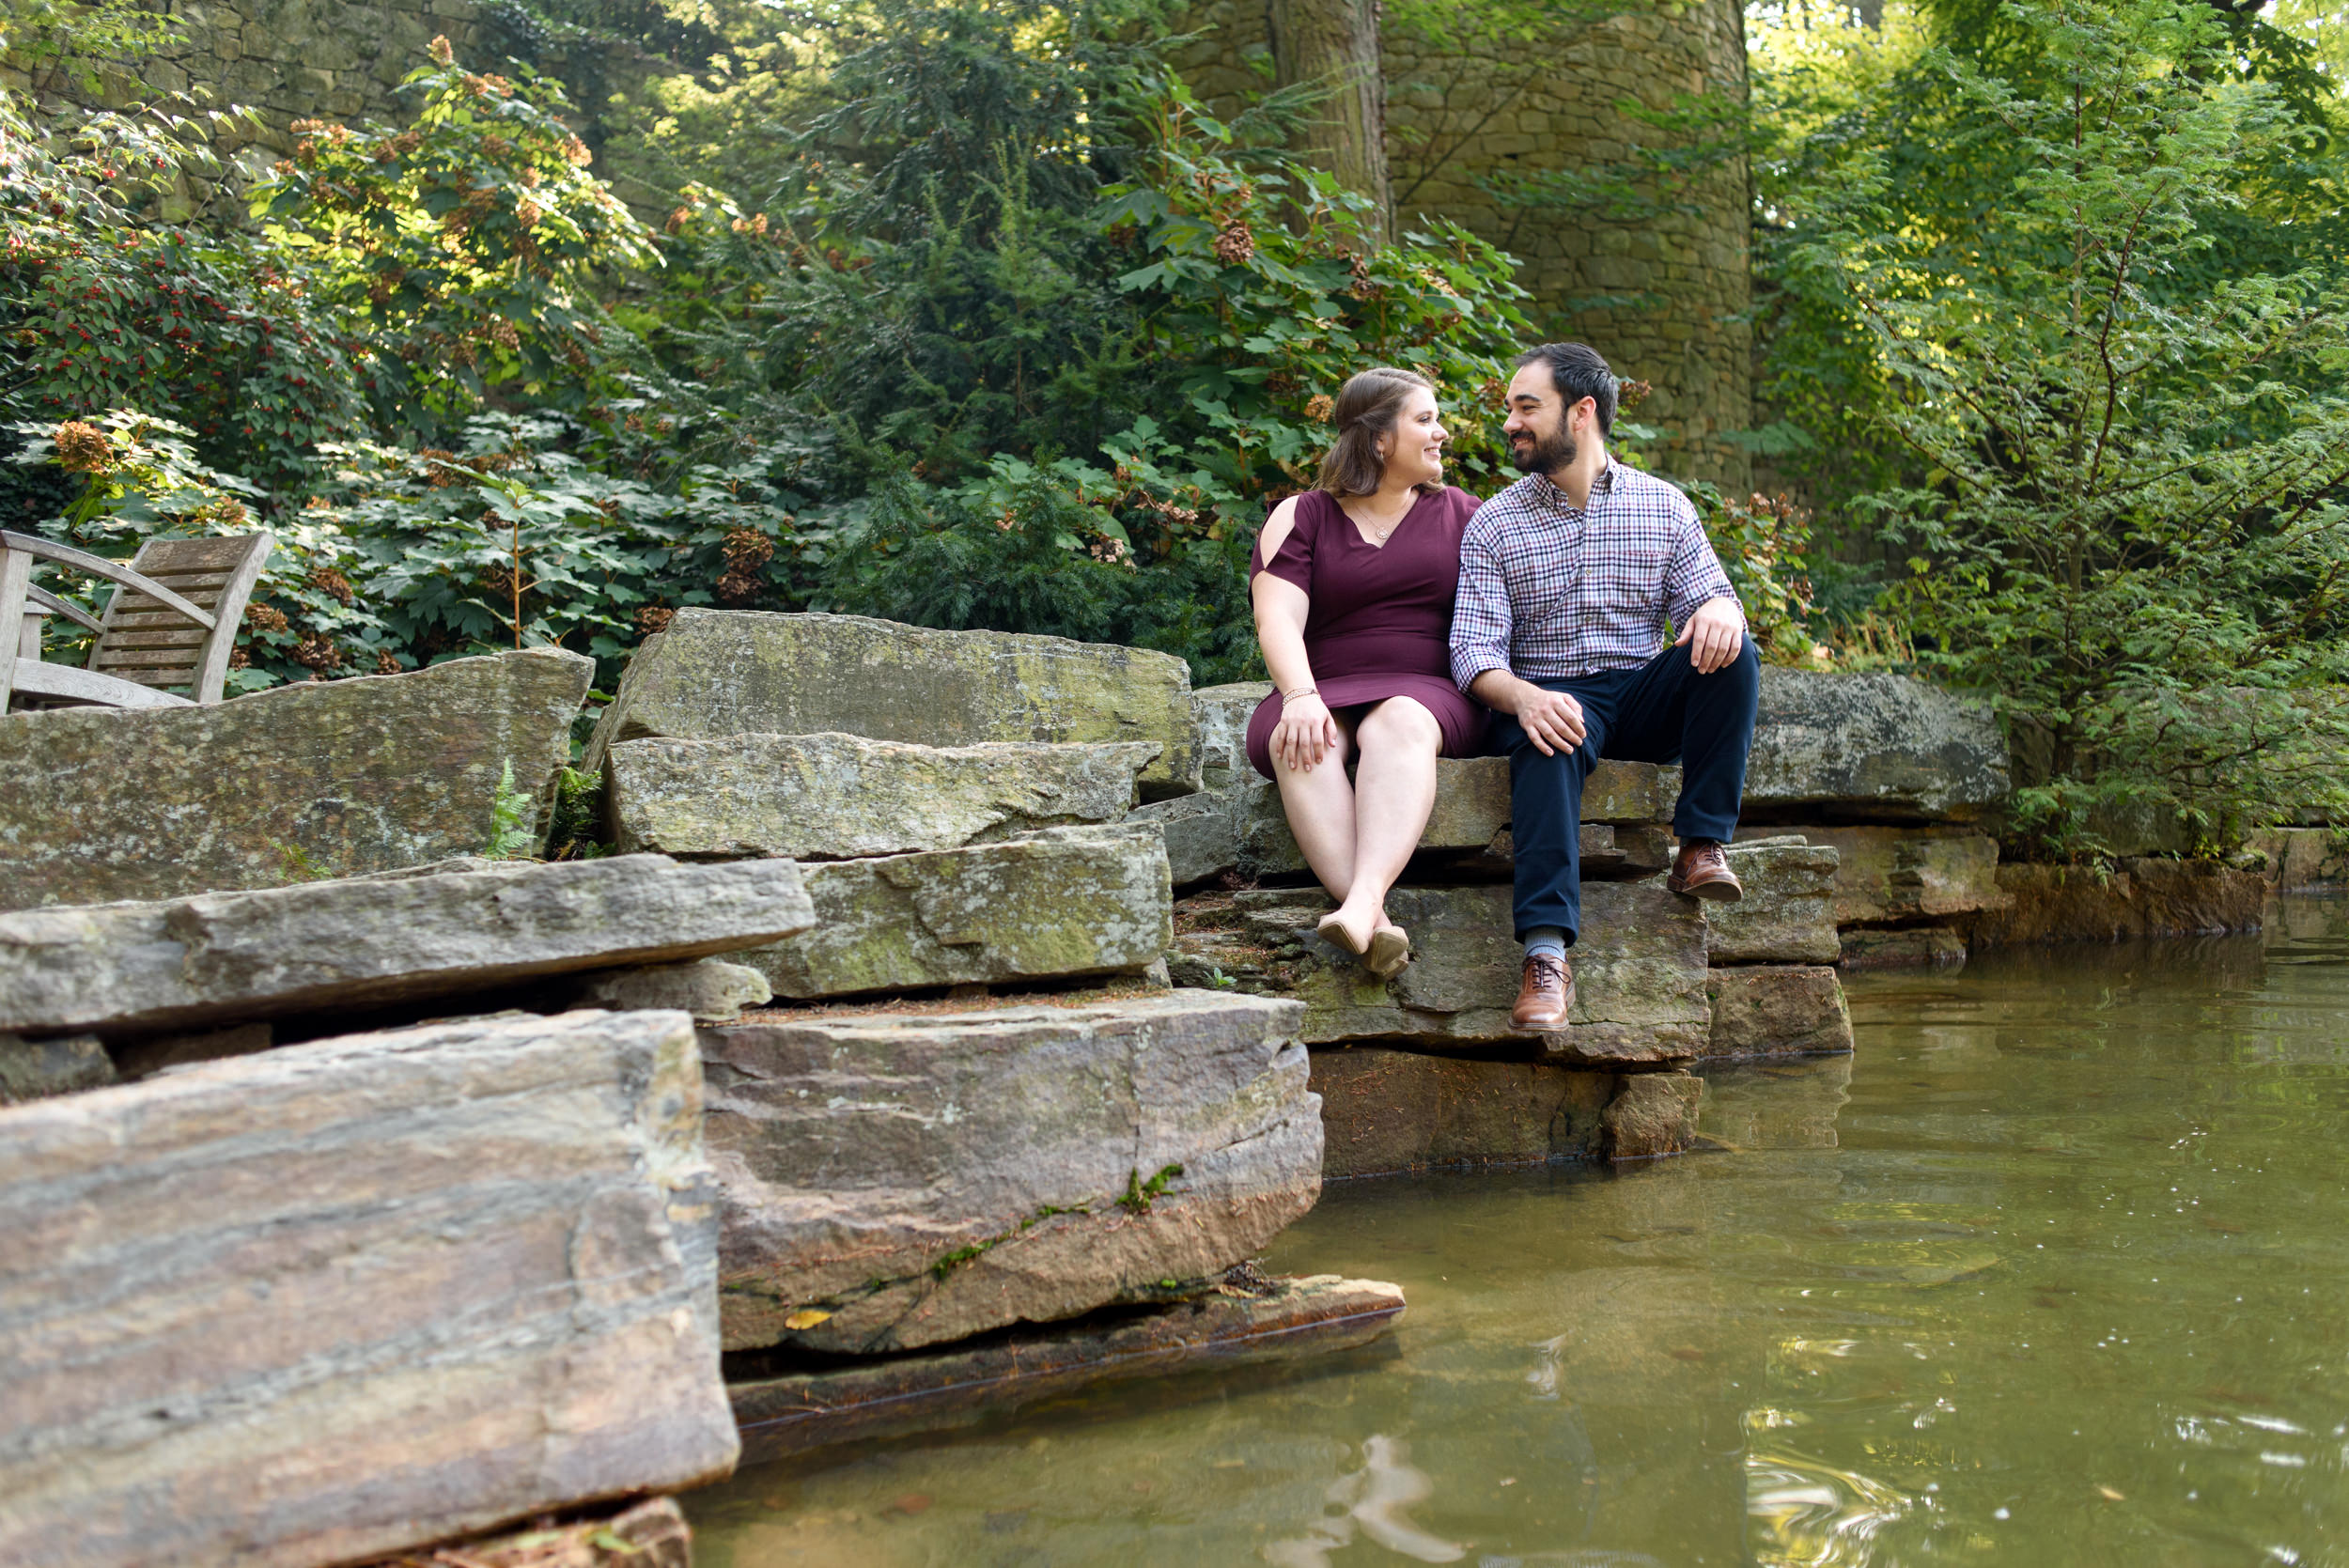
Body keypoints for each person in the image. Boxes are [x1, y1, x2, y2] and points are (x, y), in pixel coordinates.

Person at [1450, 341, 1759, 1031]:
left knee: (1736, 651)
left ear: (1582, 412)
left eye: (1527, 407)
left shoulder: (1665, 506)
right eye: (1509, 408)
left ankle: (1701, 846)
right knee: (1547, 734)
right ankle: (1545, 956)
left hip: (1639, 691)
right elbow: (1472, 653)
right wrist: (1524, 696)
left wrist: (1719, 607)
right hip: (1549, 694)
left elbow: (1712, 603)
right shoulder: (1494, 523)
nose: (1510, 422)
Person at [1246, 366, 1489, 977]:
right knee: (1298, 735)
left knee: (1399, 720)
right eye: (1425, 420)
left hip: (1428, 690)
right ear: (1379, 438)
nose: (1442, 434)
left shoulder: (1466, 516)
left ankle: (1360, 903)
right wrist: (1298, 694)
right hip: (1321, 683)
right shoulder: (1300, 516)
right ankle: (1374, 924)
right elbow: (1276, 618)